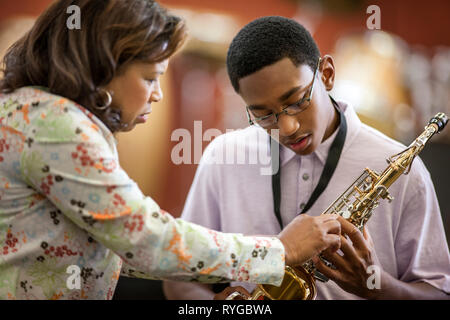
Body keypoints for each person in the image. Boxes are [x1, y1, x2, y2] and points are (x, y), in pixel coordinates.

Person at [0, 2, 343, 300]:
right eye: (151, 77)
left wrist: (213, 281)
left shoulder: (38, 112)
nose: (158, 94)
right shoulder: (56, 126)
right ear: (104, 66)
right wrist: (281, 251)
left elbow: (115, 248)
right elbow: (145, 239)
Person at [163, 16, 450, 300]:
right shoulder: (223, 156)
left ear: (326, 74)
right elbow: (178, 276)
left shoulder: (403, 168)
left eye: (298, 100)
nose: (287, 128)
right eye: (263, 115)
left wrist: (375, 286)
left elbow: (438, 293)